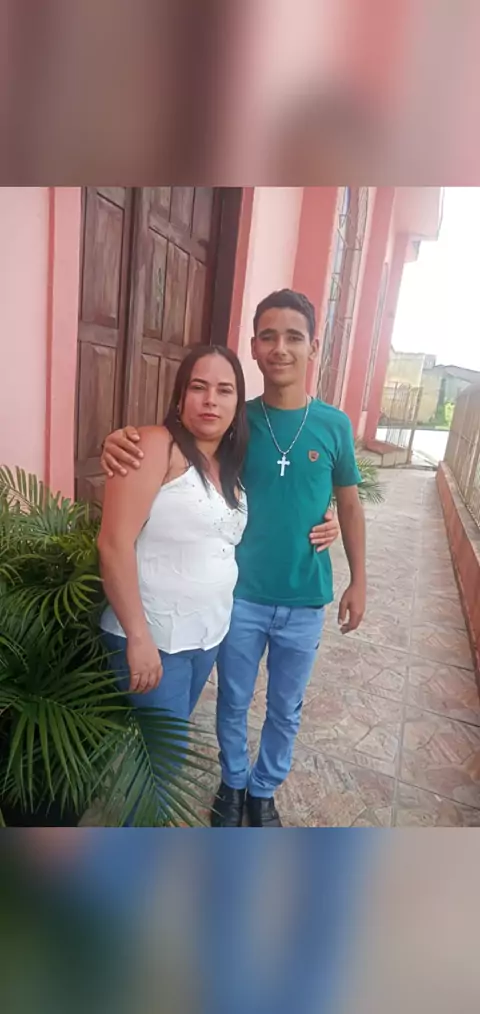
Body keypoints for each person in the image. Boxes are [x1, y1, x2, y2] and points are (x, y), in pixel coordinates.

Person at [101, 290, 366, 828]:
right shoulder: (234, 422)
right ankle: (232, 782)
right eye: (268, 336)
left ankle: (263, 791)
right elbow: (158, 470)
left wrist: (356, 569)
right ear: (255, 346)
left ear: (314, 346)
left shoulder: (318, 426)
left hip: (286, 601)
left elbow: (345, 500)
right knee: (228, 706)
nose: (280, 347)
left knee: (285, 706)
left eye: (294, 337)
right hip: (238, 602)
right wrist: (117, 441)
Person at [97, 345, 249, 737]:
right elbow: (113, 544)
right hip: (155, 638)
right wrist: (139, 637)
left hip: (206, 637)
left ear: (237, 404)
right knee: (164, 760)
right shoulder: (154, 446)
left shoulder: (229, 466)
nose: (211, 399)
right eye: (198, 387)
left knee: (159, 750)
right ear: (180, 399)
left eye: (224, 390)